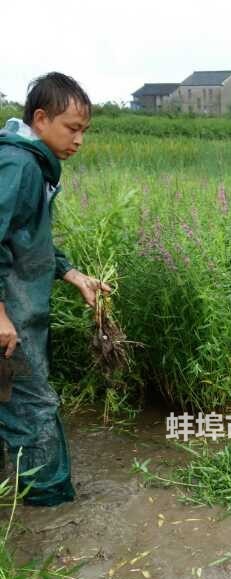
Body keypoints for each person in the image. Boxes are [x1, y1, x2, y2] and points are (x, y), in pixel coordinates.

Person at [0, 72, 110, 506]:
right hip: (9, 318)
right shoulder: (19, 164)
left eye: (84, 131)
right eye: (72, 128)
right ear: (41, 119)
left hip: (17, 312)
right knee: (33, 406)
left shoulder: (31, 163)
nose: (79, 140)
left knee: (11, 401)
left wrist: (71, 273)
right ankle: (50, 508)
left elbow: (28, 237)